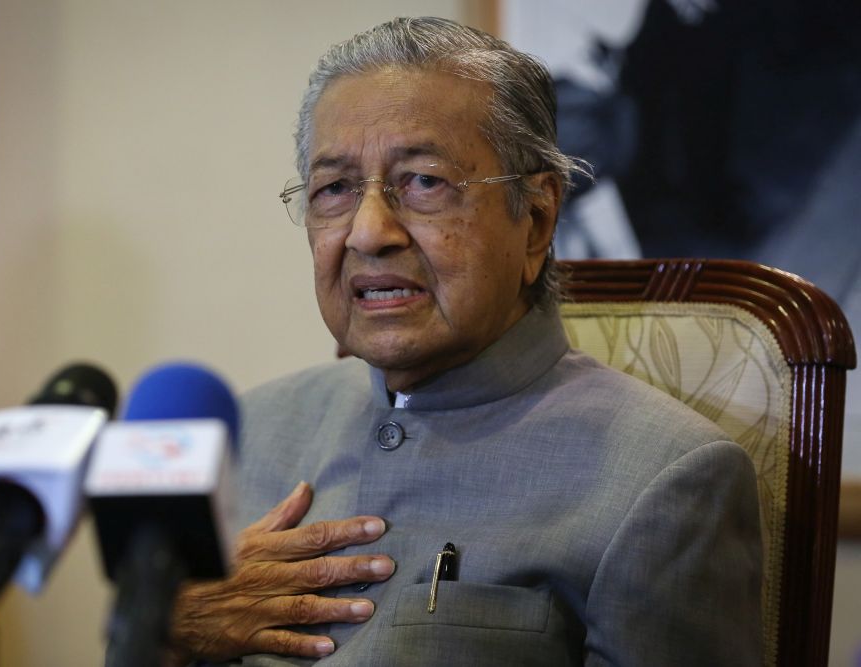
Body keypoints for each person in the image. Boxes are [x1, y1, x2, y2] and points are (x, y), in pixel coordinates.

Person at [170, 17, 762, 666]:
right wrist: (172, 630)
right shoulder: (249, 432)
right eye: (335, 188)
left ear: (535, 220)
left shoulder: (663, 478)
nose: (368, 232)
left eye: (424, 181)